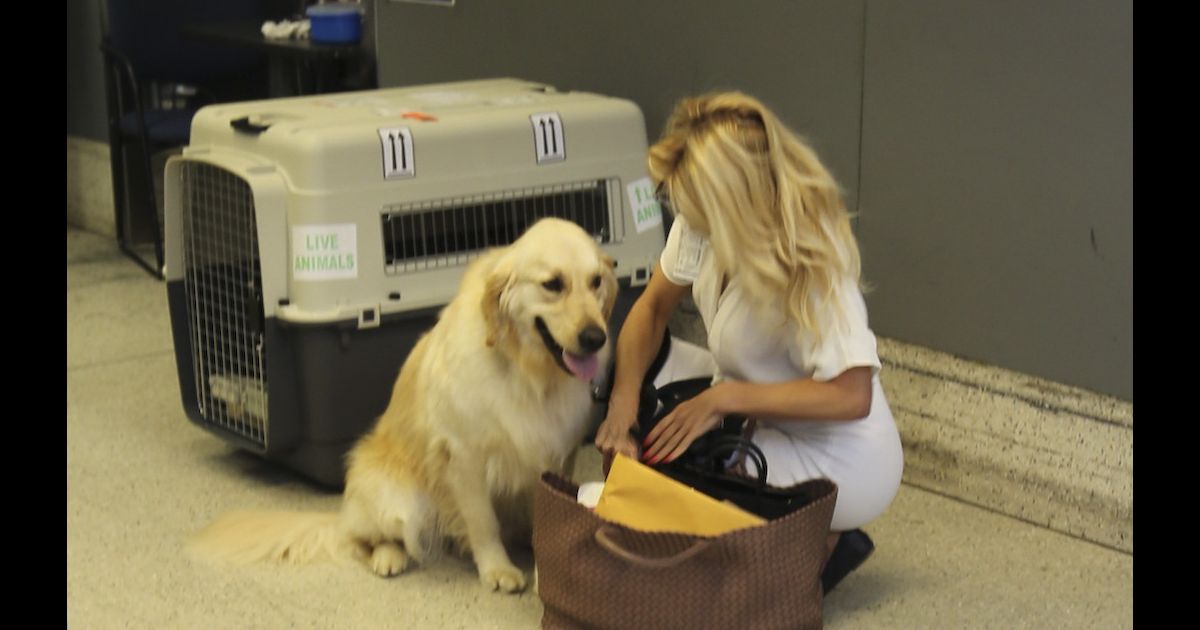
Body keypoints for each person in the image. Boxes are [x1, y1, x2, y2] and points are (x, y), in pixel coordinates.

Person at [594, 91, 903, 593]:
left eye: (696, 207)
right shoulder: (701, 225)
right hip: (755, 417)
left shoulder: (813, 268)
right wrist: (622, 403)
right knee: (648, 457)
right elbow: (651, 309)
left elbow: (853, 395)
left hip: (842, 458)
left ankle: (818, 542)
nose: (684, 219)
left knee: (670, 493)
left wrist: (724, 398)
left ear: (732, 202)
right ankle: (794, 546)